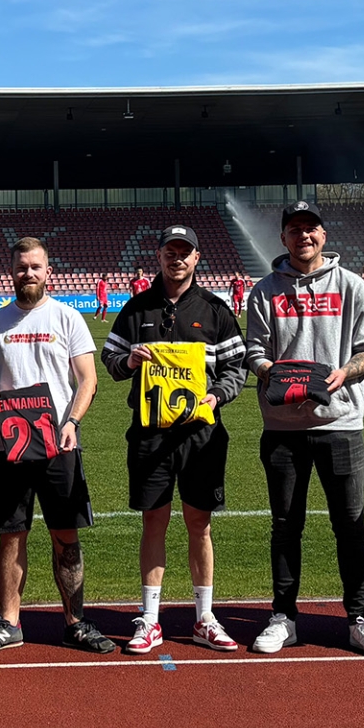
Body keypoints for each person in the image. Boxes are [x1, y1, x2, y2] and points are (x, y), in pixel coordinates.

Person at [244, 201, 364, 658]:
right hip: (282, 428)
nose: (303, 235)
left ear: (324, 235)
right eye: (295, 229)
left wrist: (347, 372)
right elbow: (254, 351)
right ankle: (283, 617)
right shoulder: (264, 291)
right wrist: (271, 373)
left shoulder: (352, 287)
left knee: (350, 525)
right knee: (285, 526)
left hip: (341, 423)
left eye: (311, 228)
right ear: (284, 238)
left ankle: (359, 618)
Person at [104, 224, 247, 654]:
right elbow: (110, 359)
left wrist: (215, 395)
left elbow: (236, 368)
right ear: (160, 256)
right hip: (150, 434)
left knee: (199, 524)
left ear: (197, 257)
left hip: (201, 435)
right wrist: (129, 361)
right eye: (171, 251)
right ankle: (150, 618)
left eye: (185, 252)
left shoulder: (215, 309)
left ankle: (204, 617)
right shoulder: (136, 308)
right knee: (154, 521)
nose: (177, 258)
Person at [0, 238, 112, 656]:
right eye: (21, 267)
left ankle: (75, 622)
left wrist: (72, 423)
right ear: (10, 272)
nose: (28, 273)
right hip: (9, 447)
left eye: (35, 267)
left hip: (59, 444)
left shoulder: (67, 318)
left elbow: (87, 380)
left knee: (65, 535)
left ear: (48, 271)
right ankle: (9, 622)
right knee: (11, 535)